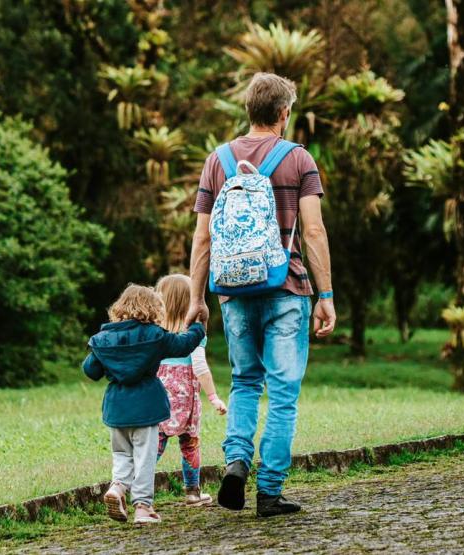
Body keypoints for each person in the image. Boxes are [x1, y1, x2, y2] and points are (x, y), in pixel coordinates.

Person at [185, 72, 336, 517]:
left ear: (249, 111)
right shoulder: (298, 160)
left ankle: (235, 461)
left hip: (232, 293)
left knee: (245, 382)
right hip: (286, 289)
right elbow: (312, 229)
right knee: (283, 392)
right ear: (284, 113)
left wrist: (198, 298)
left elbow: (202, 237)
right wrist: (324, 293)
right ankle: (269, 491)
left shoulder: (218, 160)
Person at [83, 284, 205, 524]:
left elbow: (90, 370)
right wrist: (199, 326)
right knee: (144, 458)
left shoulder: (103, 339)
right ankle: (142, 508)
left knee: (121, 454)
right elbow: (183, 344)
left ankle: (117, 488)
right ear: (152, 309)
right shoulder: (155, 336)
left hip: (117, 409)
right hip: (147, 408)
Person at [154, 274, 228, 507]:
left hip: (158, 398)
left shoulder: (155, 333)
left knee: (155, 443)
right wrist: (214, 397)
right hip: (186, 400)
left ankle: (137, 490)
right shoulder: (194, 333)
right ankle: (193, 493)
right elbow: (199, 367)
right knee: (190, 443)